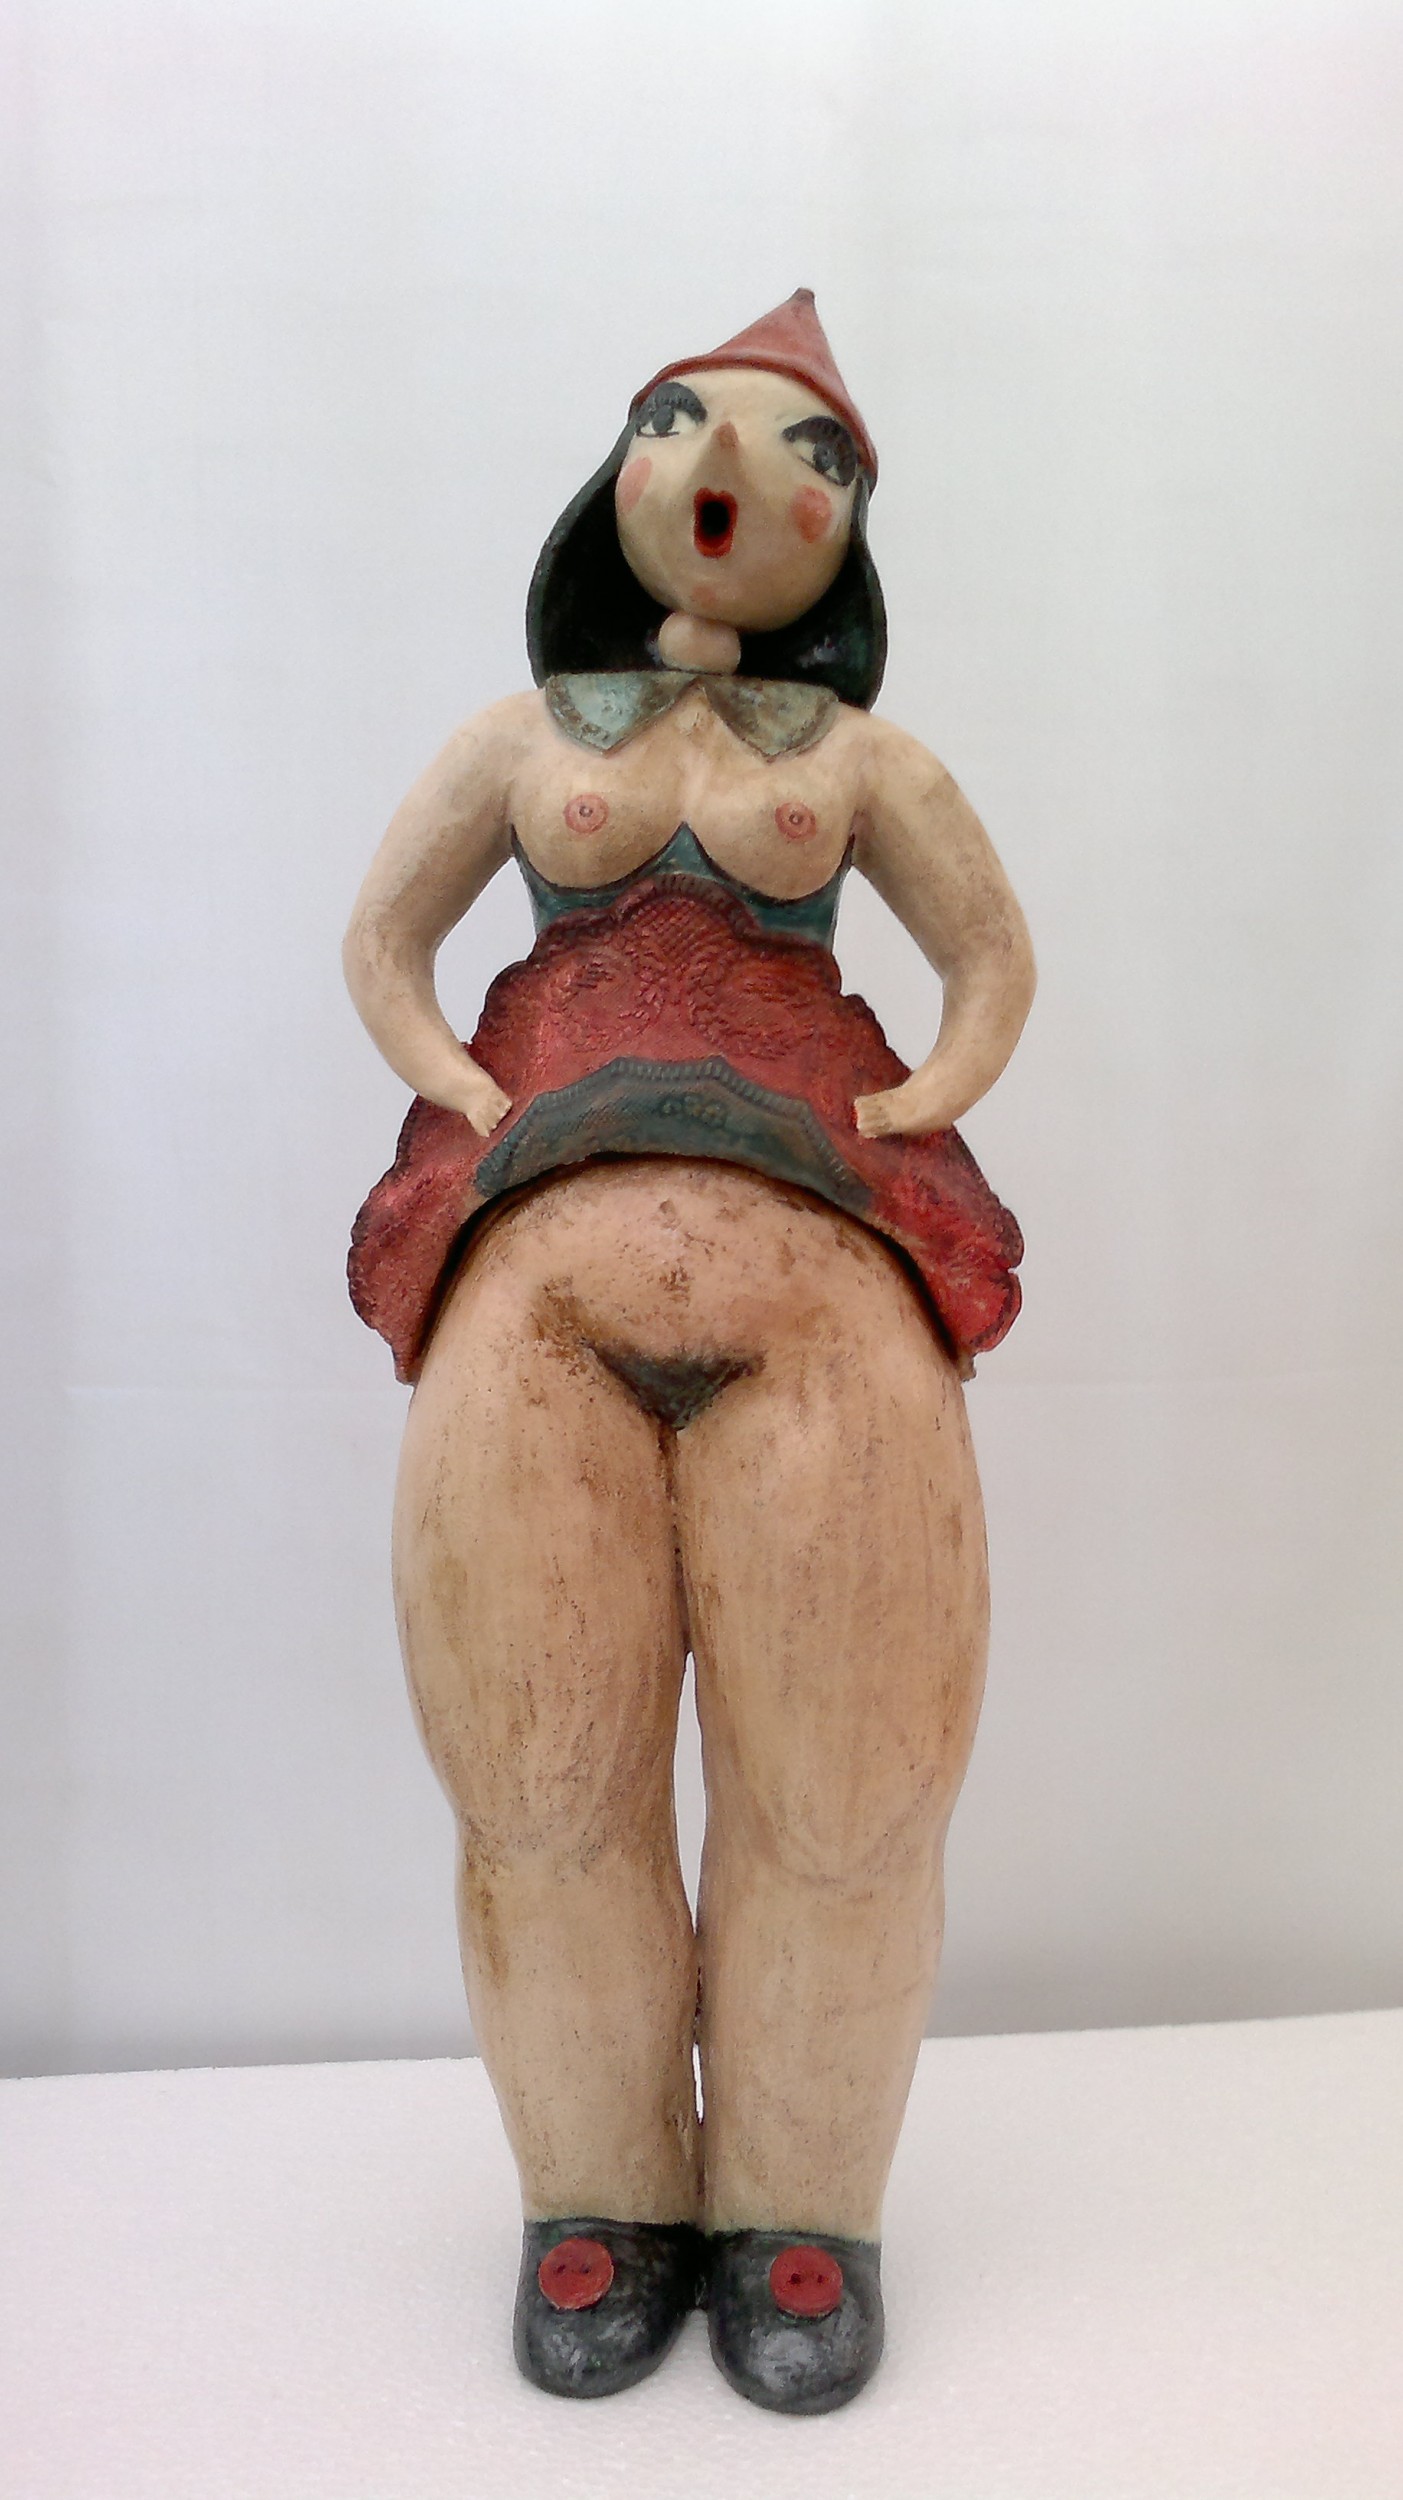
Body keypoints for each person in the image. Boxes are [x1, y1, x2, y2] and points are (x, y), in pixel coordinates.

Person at [343, 290, 1035, 2414]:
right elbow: (384, 937)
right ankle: (601, 2187)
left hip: (825, 1289)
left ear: (851, 528)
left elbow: (990, 957)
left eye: (811, 451)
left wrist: (924, 1102)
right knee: (537, 1777)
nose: (738, 471)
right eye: (684, 420)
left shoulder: (872, 765)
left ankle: (800, 2203)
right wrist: (457, 1084)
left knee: (848, 1788)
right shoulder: (518, 739)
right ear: (619, 476)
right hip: (533, 1292)